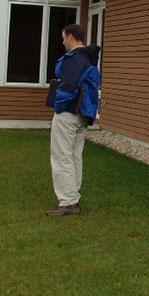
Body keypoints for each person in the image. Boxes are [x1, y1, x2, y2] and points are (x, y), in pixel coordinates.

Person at [45, 24, 101, 216]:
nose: (62, 42)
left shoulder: (76, 59)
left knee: (62, 156)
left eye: (63, 38)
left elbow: (68, 87)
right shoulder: (88, 59)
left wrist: (58, 106)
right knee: (74, 156)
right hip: (81, 115)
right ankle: (73, 196)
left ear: (70, 37)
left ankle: (68, 201)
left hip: (68, 113)